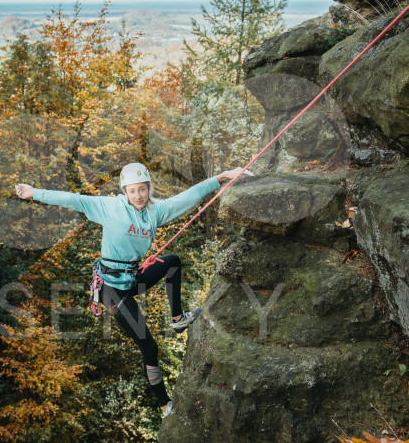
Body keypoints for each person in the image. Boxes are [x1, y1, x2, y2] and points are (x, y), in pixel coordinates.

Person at [15, 162, 249, 417]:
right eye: (132, 191)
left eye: (142, 190)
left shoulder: (153, 213)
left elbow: (186, 198)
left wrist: (221, 177)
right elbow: (73, 199)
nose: (138, 195)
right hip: (112, 289)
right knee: (149, 347)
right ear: (124, 191)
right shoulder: (110, 208)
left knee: (172, 262)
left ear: (148, 189)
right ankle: (164, 405)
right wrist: (34, 192)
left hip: (132, 277)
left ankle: (178, 319)